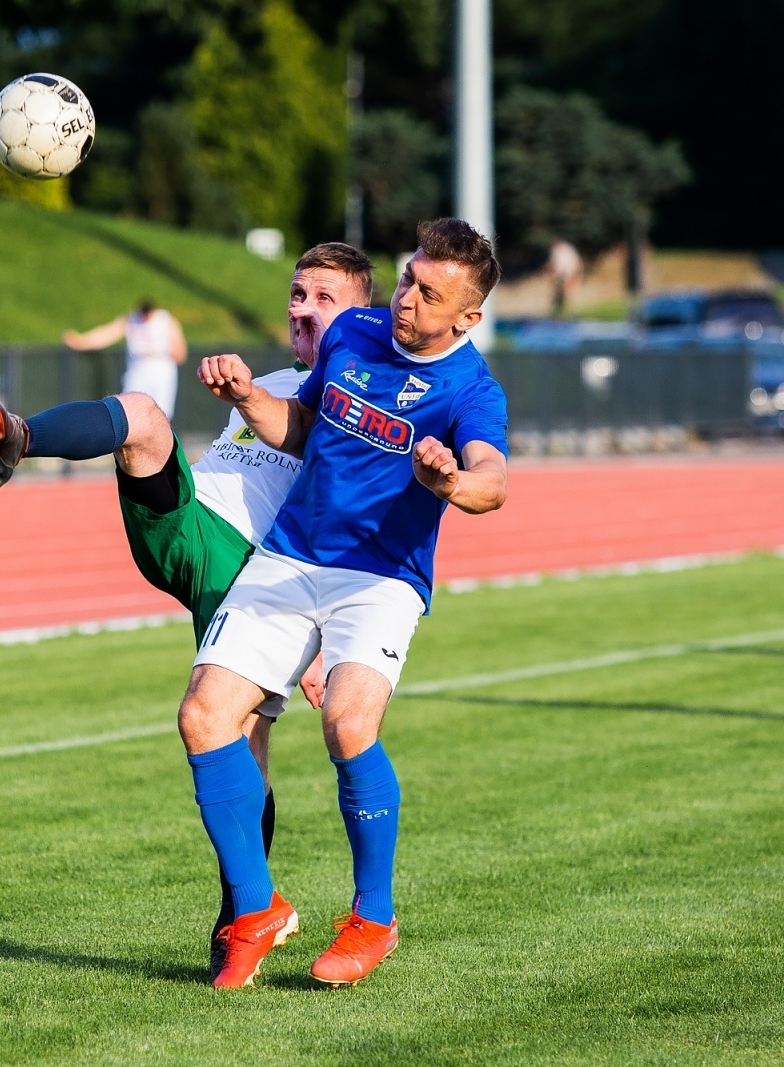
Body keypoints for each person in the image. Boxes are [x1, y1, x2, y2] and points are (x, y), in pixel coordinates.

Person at [0, 243, 376, 972]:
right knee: (143, 418)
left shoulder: (356, 400)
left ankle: (241, 916)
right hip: (186, 528)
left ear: (361, 315)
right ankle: (21, 438)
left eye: (323, 298)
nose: (299, 307)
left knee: (238, 738)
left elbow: (352, 523)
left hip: (250, 567)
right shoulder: (277, 377)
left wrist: (331, 646)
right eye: (295, 293)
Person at [187, 218, 509, 988]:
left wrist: (450, 484)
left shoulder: (473, 388)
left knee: (347, 720)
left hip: (382, 576)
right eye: (407, 279)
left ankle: (373, 918)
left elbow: (492, 479)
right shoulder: (352, 333)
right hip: (292, 553)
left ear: (467, 317)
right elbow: (304, 430)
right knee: (203, 715)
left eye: (429, 294)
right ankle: (258, 908)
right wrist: (247, 397)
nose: (406, 299)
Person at [63, 300, 188, 420]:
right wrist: (80, 342)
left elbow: (181, 354)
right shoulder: (132, 319)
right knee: (130, 412)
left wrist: (159, 350)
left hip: (162, 376)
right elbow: (108, 334)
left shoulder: (166, 321)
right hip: (137, 374)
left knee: (162, 416)